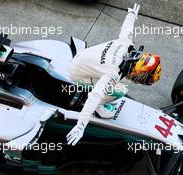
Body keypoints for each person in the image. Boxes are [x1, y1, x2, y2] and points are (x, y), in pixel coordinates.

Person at [67, 3, 162, 146]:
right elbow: (95, 96)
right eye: (145, 78)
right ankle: (98, 109)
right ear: (138, 73)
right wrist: (81, 125)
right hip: (77, 73)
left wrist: (131, 15)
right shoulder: (113, 73)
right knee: (120, 90)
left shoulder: (126, 44)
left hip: (82, 56)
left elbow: (126, 30)